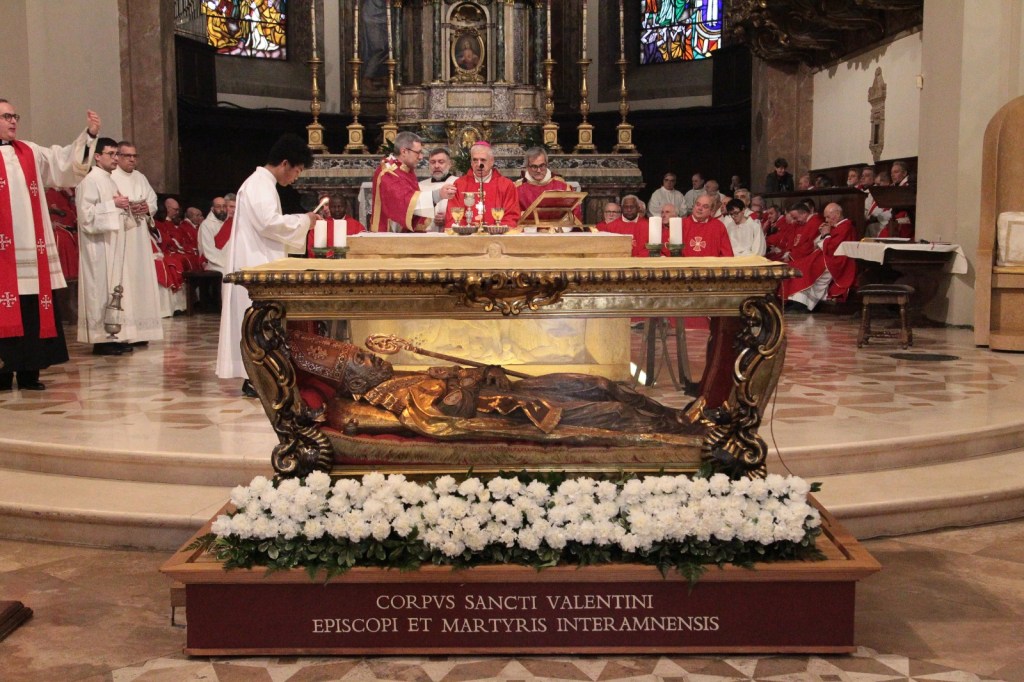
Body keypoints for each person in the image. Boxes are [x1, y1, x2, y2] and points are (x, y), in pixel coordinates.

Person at [286, 330, 701, 447]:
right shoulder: (394, 397)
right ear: (358, 382)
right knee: (610, 412)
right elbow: (443, 418)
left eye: (367, 353)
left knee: (598, 382)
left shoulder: (400, 377)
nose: (374, 357)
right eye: (365, 360)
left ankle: (673, 416)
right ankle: (680, 431)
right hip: (516, 407)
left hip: (512, 390)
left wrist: (486, 372)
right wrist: (466, 381)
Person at [0, 100, 97, 391]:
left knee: (31, 307)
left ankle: (31, 373)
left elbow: (64, 164)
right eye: (6, 116)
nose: (13, 121)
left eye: (14, 116)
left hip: (30, 247)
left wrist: (89, 136)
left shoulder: (29, 151)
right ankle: (2, 375)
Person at [216, 133, 319, 395]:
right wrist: (305, 220)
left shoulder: (261, 183)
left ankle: (255, 375)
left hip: (255, 257)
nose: (295, 177)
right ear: (285, 163)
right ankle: (255, 377)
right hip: (254, 263)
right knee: (258, 320)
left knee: (260, 321)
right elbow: (268, 223)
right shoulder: (260, 184)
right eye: (296, 171)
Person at [77, 137, 163, 356]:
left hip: (114, 244)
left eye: (118, 154)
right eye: (112, 154)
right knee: (101, 292)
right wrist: (113, 205)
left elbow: (121, 211)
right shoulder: (90, 180)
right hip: (99, 247)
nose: (116, 158)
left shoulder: (108, 180)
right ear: (98, 156)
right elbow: (85, 216)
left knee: (113, 291)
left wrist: (132, 210)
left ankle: (113, 337)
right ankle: (102, 340)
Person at [782, 202, 857, 312]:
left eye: (828, 216)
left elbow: (832, 247)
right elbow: (821, 244)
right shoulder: (836, 226)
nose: (826, 220)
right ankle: (795, 300)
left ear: (837, 214)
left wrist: (826, 234)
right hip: (826, 255)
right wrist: (823, 234)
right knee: (797, 265)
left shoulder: (846, 226)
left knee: (805, 268)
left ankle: (802, 304)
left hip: (837, 259)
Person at [369, 130, 434, 232]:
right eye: (418, 152)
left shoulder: (405, 169)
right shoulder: (388, 172)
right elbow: (403, 202)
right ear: (404, 151)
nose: (421, 157)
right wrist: (437, 196)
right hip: (388, 235)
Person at [444, 142, 520, 228]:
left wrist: (495, 231)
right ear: (471, 162)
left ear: (491, 161)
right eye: (475, 160)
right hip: (466, 238)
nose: (479, 164)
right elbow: (453, 215)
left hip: (496, 238)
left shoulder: (506, 185)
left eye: (483, 160)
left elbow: (511, 216)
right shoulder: (459, 184)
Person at [515, 147, 581, 222]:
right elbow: (512, 215)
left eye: (542, 166)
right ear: (527, 167)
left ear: (546, 164)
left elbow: (575, 212)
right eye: (534, 167)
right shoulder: (517, 189)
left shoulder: (562, 186)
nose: (539, 170)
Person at [418, 147, 457, 231]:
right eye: (432, 162)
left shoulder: (458, 183)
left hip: (451, 236)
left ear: (449, 164)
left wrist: (448, 217)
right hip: (425, 237)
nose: (436, 166)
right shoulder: (420, 186)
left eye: (441, 162)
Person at [199, 196, 229, 273]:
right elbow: (209, 251)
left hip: (231, 260)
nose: (222, 209)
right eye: (218, 207)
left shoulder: (231, 222)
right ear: (212, 209)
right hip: (215, 264)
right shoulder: (206, 224)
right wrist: (225, 262)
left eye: (224, 206)